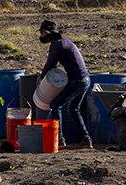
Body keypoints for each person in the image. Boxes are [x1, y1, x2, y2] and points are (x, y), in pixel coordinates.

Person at [37, 19, 92, 149]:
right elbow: (55, 64)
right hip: (85, 80)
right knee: (73, 109)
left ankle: (59, 139)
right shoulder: (64, 41)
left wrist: (41, 78)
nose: (41, 36)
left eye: (43, 33)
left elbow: (50, 64)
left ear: (49, 33)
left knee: (55, 105)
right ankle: (86, 139)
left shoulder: (57, 44)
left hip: (78, 80)